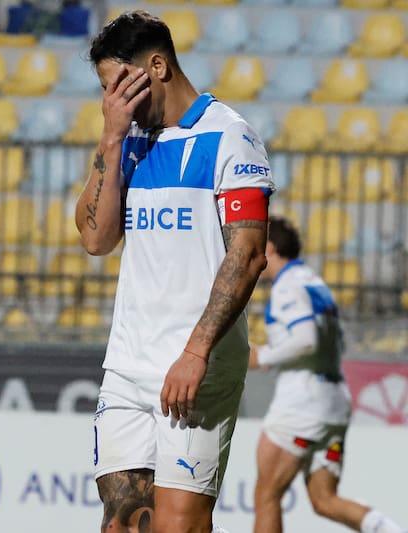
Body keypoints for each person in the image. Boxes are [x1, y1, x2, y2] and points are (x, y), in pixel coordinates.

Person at [76, 11, 274, 533]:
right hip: (127, 366)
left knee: (176, 526)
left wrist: (195, 352)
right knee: (121, 523)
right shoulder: (131, 141)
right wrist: (110, 137)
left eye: (116, 84)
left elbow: (248, 254)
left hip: (194, 367)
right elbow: (95, 239)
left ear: (156, 67)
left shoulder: (229, 136)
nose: (111, 100)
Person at [250, 216, 405, 533]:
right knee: (324, 500)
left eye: (255, 246)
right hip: (333, 403)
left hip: (302, 404)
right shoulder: (313, 281)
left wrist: (264, 356)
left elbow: (306, 339)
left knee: (267, 493)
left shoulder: (288, 287)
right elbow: (333, 338)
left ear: (270, 248)